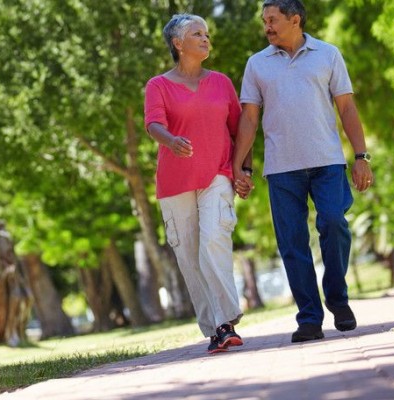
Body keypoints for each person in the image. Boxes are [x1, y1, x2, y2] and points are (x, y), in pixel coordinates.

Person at [232, 0, 374, 343]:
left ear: (295, 20)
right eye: (264, 20)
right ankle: (309, 318)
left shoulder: (327, 54)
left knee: (334, 222)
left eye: (272, 19)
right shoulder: (257, 64)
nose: (266, 26)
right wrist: (241, 165)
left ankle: (338, 301)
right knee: (292, 245)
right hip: (281, 170)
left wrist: (361, 156)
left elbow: (347, 107)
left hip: (327, 162)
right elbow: (249, 118)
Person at [144, 13, 245, 354]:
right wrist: (171, 140)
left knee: (213, 241)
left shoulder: (221, 83)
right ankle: (216, 327)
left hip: (217, 174)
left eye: (206, 33)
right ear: (177, 43)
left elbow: (238, 129)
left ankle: (227, 320)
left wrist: (244, 168)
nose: (205, 38)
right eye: (196, 34)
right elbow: (153, 124)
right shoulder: (158, 85)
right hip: (175, 183)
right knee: (189, 256)